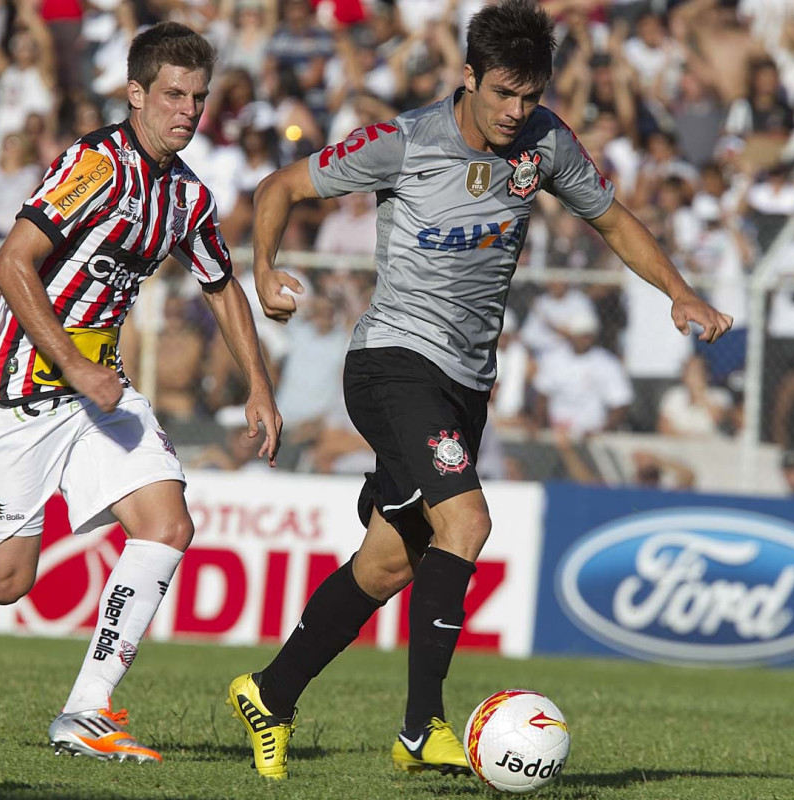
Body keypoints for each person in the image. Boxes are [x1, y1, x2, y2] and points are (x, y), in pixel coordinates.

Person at [228, 0, 733, 781]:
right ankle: (420, 728)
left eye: (529, 96)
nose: (515, 111)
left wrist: (680, 291)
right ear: (467, 77)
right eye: (502, 93)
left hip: (466, 382)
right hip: (392, 362)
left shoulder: (546, 142)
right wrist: (263, 270)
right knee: (466, 522)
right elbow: (279, 186)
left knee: (390, 564)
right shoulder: (404, 141)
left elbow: (614, 219)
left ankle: (270, 692)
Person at [0, 23, 282, 763]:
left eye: (198, 98)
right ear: (136, 94)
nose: (187, 111)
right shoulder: (96, 166)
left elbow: (222, 288)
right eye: (172, 95)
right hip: (16, 393)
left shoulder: (187, 196)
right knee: (6, 582)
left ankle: (86, 712)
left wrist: (260, 386)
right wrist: (73, 362)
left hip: (99, 397)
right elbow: (11, 263)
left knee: (168, 524)